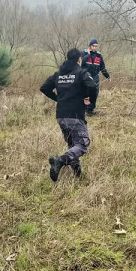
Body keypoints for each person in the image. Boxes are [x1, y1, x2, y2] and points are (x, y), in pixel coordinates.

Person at [40, 48, 98, 182]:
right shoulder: (81, 72)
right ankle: (59, 161)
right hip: (75, 115)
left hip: (61, 116)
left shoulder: (58, 74)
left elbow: (44, 88)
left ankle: (77, 173)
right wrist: (89, 99)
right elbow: (93, 86)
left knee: (72, 145)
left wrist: (58, 99)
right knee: (83, 144)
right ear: (79, 59)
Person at [81, 39, 110, 116]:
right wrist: (88, 55)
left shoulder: (99, 55)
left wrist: (107, 76)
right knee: (85, 93)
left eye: (96, 46)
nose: (94, 47)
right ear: (90, 46)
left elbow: (102, 67)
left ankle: (90, 110)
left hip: (95, 76)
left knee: (94, 94)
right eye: (93, 46)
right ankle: (83, 110)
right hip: (85, 76)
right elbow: (80, 63)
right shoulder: (83, 53)